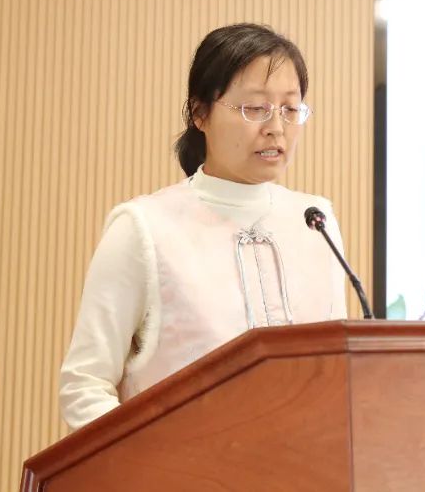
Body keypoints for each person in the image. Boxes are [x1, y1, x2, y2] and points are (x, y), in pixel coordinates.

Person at [58, 23, 349, 432]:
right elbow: (84, 385)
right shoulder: (144, 227)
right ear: (200, 113)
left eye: (290, 108)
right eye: (255, 108)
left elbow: (333, 375)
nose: (276, 127)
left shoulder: (316, 221)